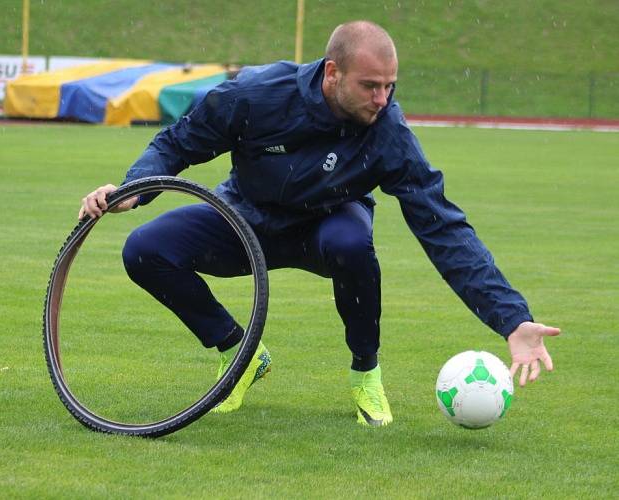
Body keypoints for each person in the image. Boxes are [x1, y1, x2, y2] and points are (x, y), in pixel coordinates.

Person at [80, 21, 560, 427]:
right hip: (246, 220)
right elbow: (178, 143)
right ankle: (240, 354)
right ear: (332, 73)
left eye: (390, 85)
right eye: (370, 86)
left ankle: (366, 374)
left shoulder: (388, 132)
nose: (382, 98)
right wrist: (133, 191)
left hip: (328, 227)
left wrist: (511, 318)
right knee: (144, 250)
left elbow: (443, 226)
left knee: (353, 242)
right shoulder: (255, 94)